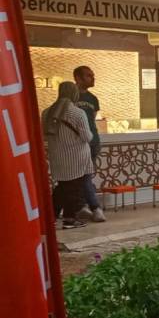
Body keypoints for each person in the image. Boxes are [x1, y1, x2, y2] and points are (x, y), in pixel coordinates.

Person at [42, 82, 94, 229]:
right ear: (74, 93)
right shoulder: (77, 113)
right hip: (76, 157)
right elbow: (87, 137)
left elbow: (44, 136)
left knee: (63, 187)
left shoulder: (47, 112)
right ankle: (69, 219)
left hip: (57, 157)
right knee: (73, 188)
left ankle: (51, 217)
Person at [72, 66, 105, 222]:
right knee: (82, 176)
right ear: (78, 78)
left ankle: (84, 206)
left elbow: (92, 120)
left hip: (92, 142)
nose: (92, 78)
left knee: (85, 175)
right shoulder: (71, 99)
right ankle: (92, 207)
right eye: (88, 75)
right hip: (75, 144)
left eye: (92, 75)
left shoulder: (93, 99)